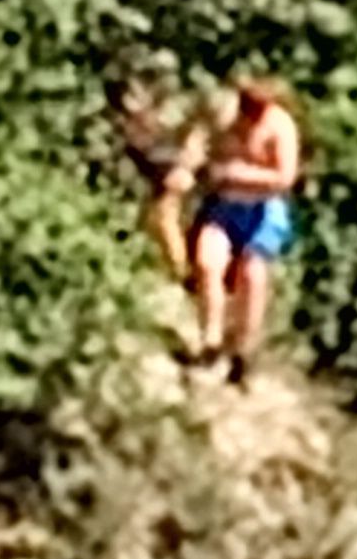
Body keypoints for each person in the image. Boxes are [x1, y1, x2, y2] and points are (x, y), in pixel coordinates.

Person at [186, 75, 302, 383]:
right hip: (225, 203)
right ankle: (210, 340)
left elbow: (284, 177)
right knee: (207, 261)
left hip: (263, 208)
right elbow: (206, 151)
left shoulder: (280, 127)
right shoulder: (228, 120)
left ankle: (242, 349)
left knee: (252, 274)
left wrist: (241, 173)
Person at [109, 67, 201, 287]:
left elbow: (179, 137)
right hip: (167, 174)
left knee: (165, 221)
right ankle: (179, 267)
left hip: (172, 172)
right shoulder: (136, 124)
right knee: (162, 221)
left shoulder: (150, 119)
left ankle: (183, 271)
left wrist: (185, 158)